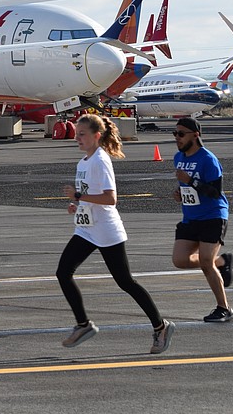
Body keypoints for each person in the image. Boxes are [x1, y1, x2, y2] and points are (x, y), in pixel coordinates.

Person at [58, 114, 174, 355]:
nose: (77, 138)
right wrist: (77, 205)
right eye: (77, 134)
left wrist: (79, 198)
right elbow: (89, 196)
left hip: (107, 230)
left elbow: (111, 199)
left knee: (125, 282)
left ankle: (160, 326)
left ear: (96, 136)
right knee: (63, 272)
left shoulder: (100, 160)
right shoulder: (83, 162)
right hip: (87, 229)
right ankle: (83, 325)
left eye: (83, 134)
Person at [170, 117, 233, 322]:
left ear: (195, 135)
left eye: (181, 134)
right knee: (179, 260)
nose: (177, 138)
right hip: (191, 217)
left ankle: (224, 308)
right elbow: (189, 188)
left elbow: (215, 192)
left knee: (205, 263)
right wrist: (181, 191)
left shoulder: (208, 160)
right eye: (175, 134)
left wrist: (190, 181)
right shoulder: (178, 158)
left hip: (213, 216)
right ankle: (221, 261)